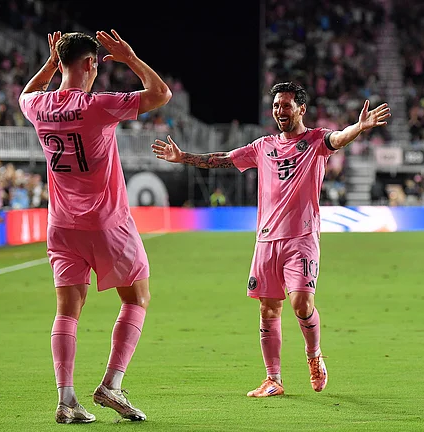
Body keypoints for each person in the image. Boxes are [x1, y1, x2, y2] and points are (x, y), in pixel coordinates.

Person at [152, 82, 390, 397]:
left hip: (301, 239)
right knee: (268, 309)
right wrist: (184, 157)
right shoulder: (262, 146)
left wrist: (359, 127)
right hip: (266, 240)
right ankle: (273, 379)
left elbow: (338, 139)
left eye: (286, 105)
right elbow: (224, 158)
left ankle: (314, 355)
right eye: (277, 105)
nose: (280, 111)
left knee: (301, 303)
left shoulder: (315, 141)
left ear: (301, 109)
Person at [19, 30, 172, 423]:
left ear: (60, 61)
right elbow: (161, 95)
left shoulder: (38, 106)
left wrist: (50, 63)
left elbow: (26, 93)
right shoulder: (97, 106)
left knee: (67, 311)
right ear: (91, 64)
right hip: (107, 223)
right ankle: (111, 385)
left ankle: (66, 399)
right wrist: (131, 58)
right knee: (136, 298)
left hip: (61, 225)